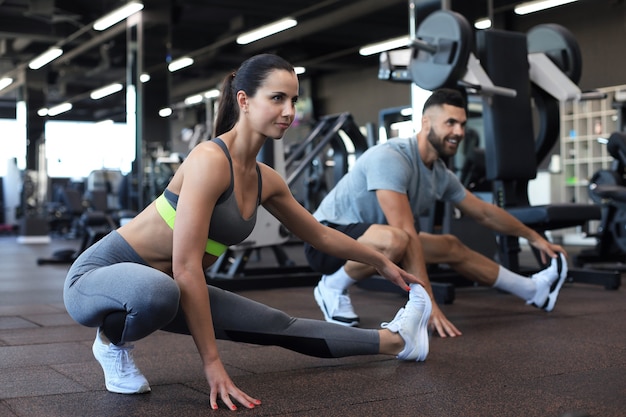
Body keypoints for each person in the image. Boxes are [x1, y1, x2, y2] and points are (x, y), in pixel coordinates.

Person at [63, 54, 432, 411]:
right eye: (277, 98)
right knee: (160, 290)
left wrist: (380, 261)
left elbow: (319, 235)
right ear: (244, 100)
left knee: (277, 324)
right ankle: (111, 342)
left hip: (168, 288)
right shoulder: (209, 160)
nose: (289, 111)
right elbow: (187, 266)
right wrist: (212, 365)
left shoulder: (265, 180)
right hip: (97, 281)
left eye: (293, 100)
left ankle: (398, 342)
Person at [304, 88, 569, 338]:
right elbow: (405, 232)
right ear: (426, 123)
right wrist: (428, 303)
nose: (459, 131)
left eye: (462, 124)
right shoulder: (391, 158)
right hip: (327, 242)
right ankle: (332, 286)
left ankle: (535, 290)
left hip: (373, 241)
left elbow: (484, 213)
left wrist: (533, 236)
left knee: (450, 246)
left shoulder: (440, 174)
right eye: (451, 123)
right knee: (398, 239)